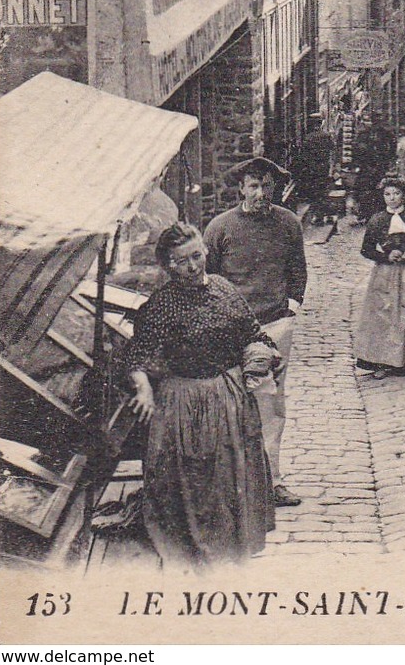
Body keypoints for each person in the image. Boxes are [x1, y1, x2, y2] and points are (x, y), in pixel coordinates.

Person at [126, 222, 278, 564]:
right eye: (182, 261)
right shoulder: (163, 304)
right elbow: (137, 354)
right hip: (183, 403)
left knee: (230, 476)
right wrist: (144, 388)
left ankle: (231, 548)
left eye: (197, 256)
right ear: (168, 266)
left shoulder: (224, 288)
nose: (193, 267)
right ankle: (196, 554)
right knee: (194, 479)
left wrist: (259, 354)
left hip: (227, 397)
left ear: (206, 251)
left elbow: (251, 332)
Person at [204, 157, 307, 508]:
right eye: (253, 185)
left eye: (266, 185)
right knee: (231, 401)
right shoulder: (220, 228)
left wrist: (291, 308)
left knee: (271, 404)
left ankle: (272, 480)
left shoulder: (288, 224)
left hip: (276, 325)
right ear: (241, 188)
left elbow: (298, 270)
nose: (260, 193)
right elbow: (209, 279)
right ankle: (231, 484)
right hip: (232, 329)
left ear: (274, 187)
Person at [356, 175, 405, 379]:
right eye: (387, 194)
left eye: (396, 194)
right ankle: (382, 361)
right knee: (383, 314)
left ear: (404, 196)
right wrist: (385, 255)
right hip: (385, 272)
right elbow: (365, 249)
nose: (392, 198)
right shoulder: (377, 220)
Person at [351, 115, 397, 222]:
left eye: (368, 120)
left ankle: (373, 213)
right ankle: (366, 213)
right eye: (365, 120)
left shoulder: (382, 133)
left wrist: (388, 159)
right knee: (365, 189)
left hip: (377, 166)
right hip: (367, 166)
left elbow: (391, 146)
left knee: (374, 189)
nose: (365, 122)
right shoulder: (364, 134)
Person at [292, 117, 333, 225]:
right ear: (320, 124)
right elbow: (332, 151)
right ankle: (329, 217)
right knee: (325, 192)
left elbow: (304, 156)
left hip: (313, 170)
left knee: (316, 193)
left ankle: (319, 218)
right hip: (324, 168)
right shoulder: (326, 136)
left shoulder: (308, 138)